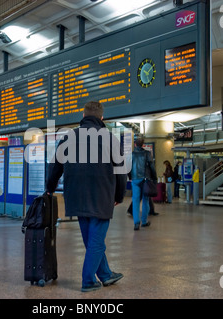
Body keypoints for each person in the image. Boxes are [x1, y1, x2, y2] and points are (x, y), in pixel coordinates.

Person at [46, 101, 126, 292]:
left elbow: (55, 165)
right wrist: (119, 195)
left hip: (76, 196)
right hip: (101, 195)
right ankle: (88, 280)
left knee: (91, 239)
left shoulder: (69, 137)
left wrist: (49, 187)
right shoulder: (109, 138)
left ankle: (105, 274)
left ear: (83, 116)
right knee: (96, 240)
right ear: (102, 118)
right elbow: (121, 171)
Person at [128, 136, 157, 230]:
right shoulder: (147, 153)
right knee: (145, 200)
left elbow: (128, 167)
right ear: (143, 144)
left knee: (135, 201)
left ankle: (136, 223)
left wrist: (130, 177)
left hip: (135, 179)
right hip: (145, 179)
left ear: (135, 144)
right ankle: (144, 221)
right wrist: (154, 178)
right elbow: (152, 166)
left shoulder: (131, 154)